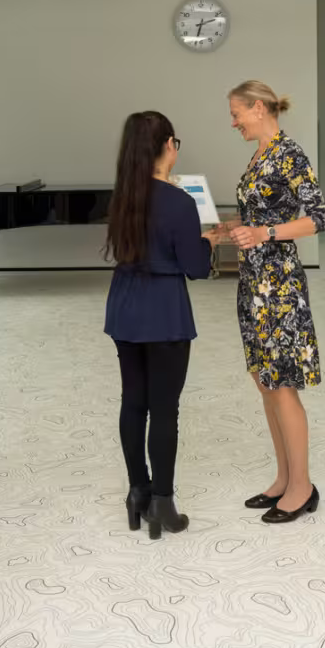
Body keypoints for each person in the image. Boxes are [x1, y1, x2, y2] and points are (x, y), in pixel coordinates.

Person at [104, 111, 220, 540]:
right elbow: (195, 268)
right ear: (168, 145)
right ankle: (163, 503)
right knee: (164, 408)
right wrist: (207, 242)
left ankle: (137, 492)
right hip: (165, 311)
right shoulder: (179, 202)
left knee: (133, 402)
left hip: (125, 307)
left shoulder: (122, 197)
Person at [227, 80, 325, 524]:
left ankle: (302, 487)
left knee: (282, 383)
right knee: (265, 380)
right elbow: (258, 217)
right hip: (253, 281)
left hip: (279, 284)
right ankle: (285, 477)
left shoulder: (289, 152)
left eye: (236, 114)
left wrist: (264, 233)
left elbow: (319, 217)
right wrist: (232, 230)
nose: (233, 122)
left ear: (257, 107)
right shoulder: (259, 155)